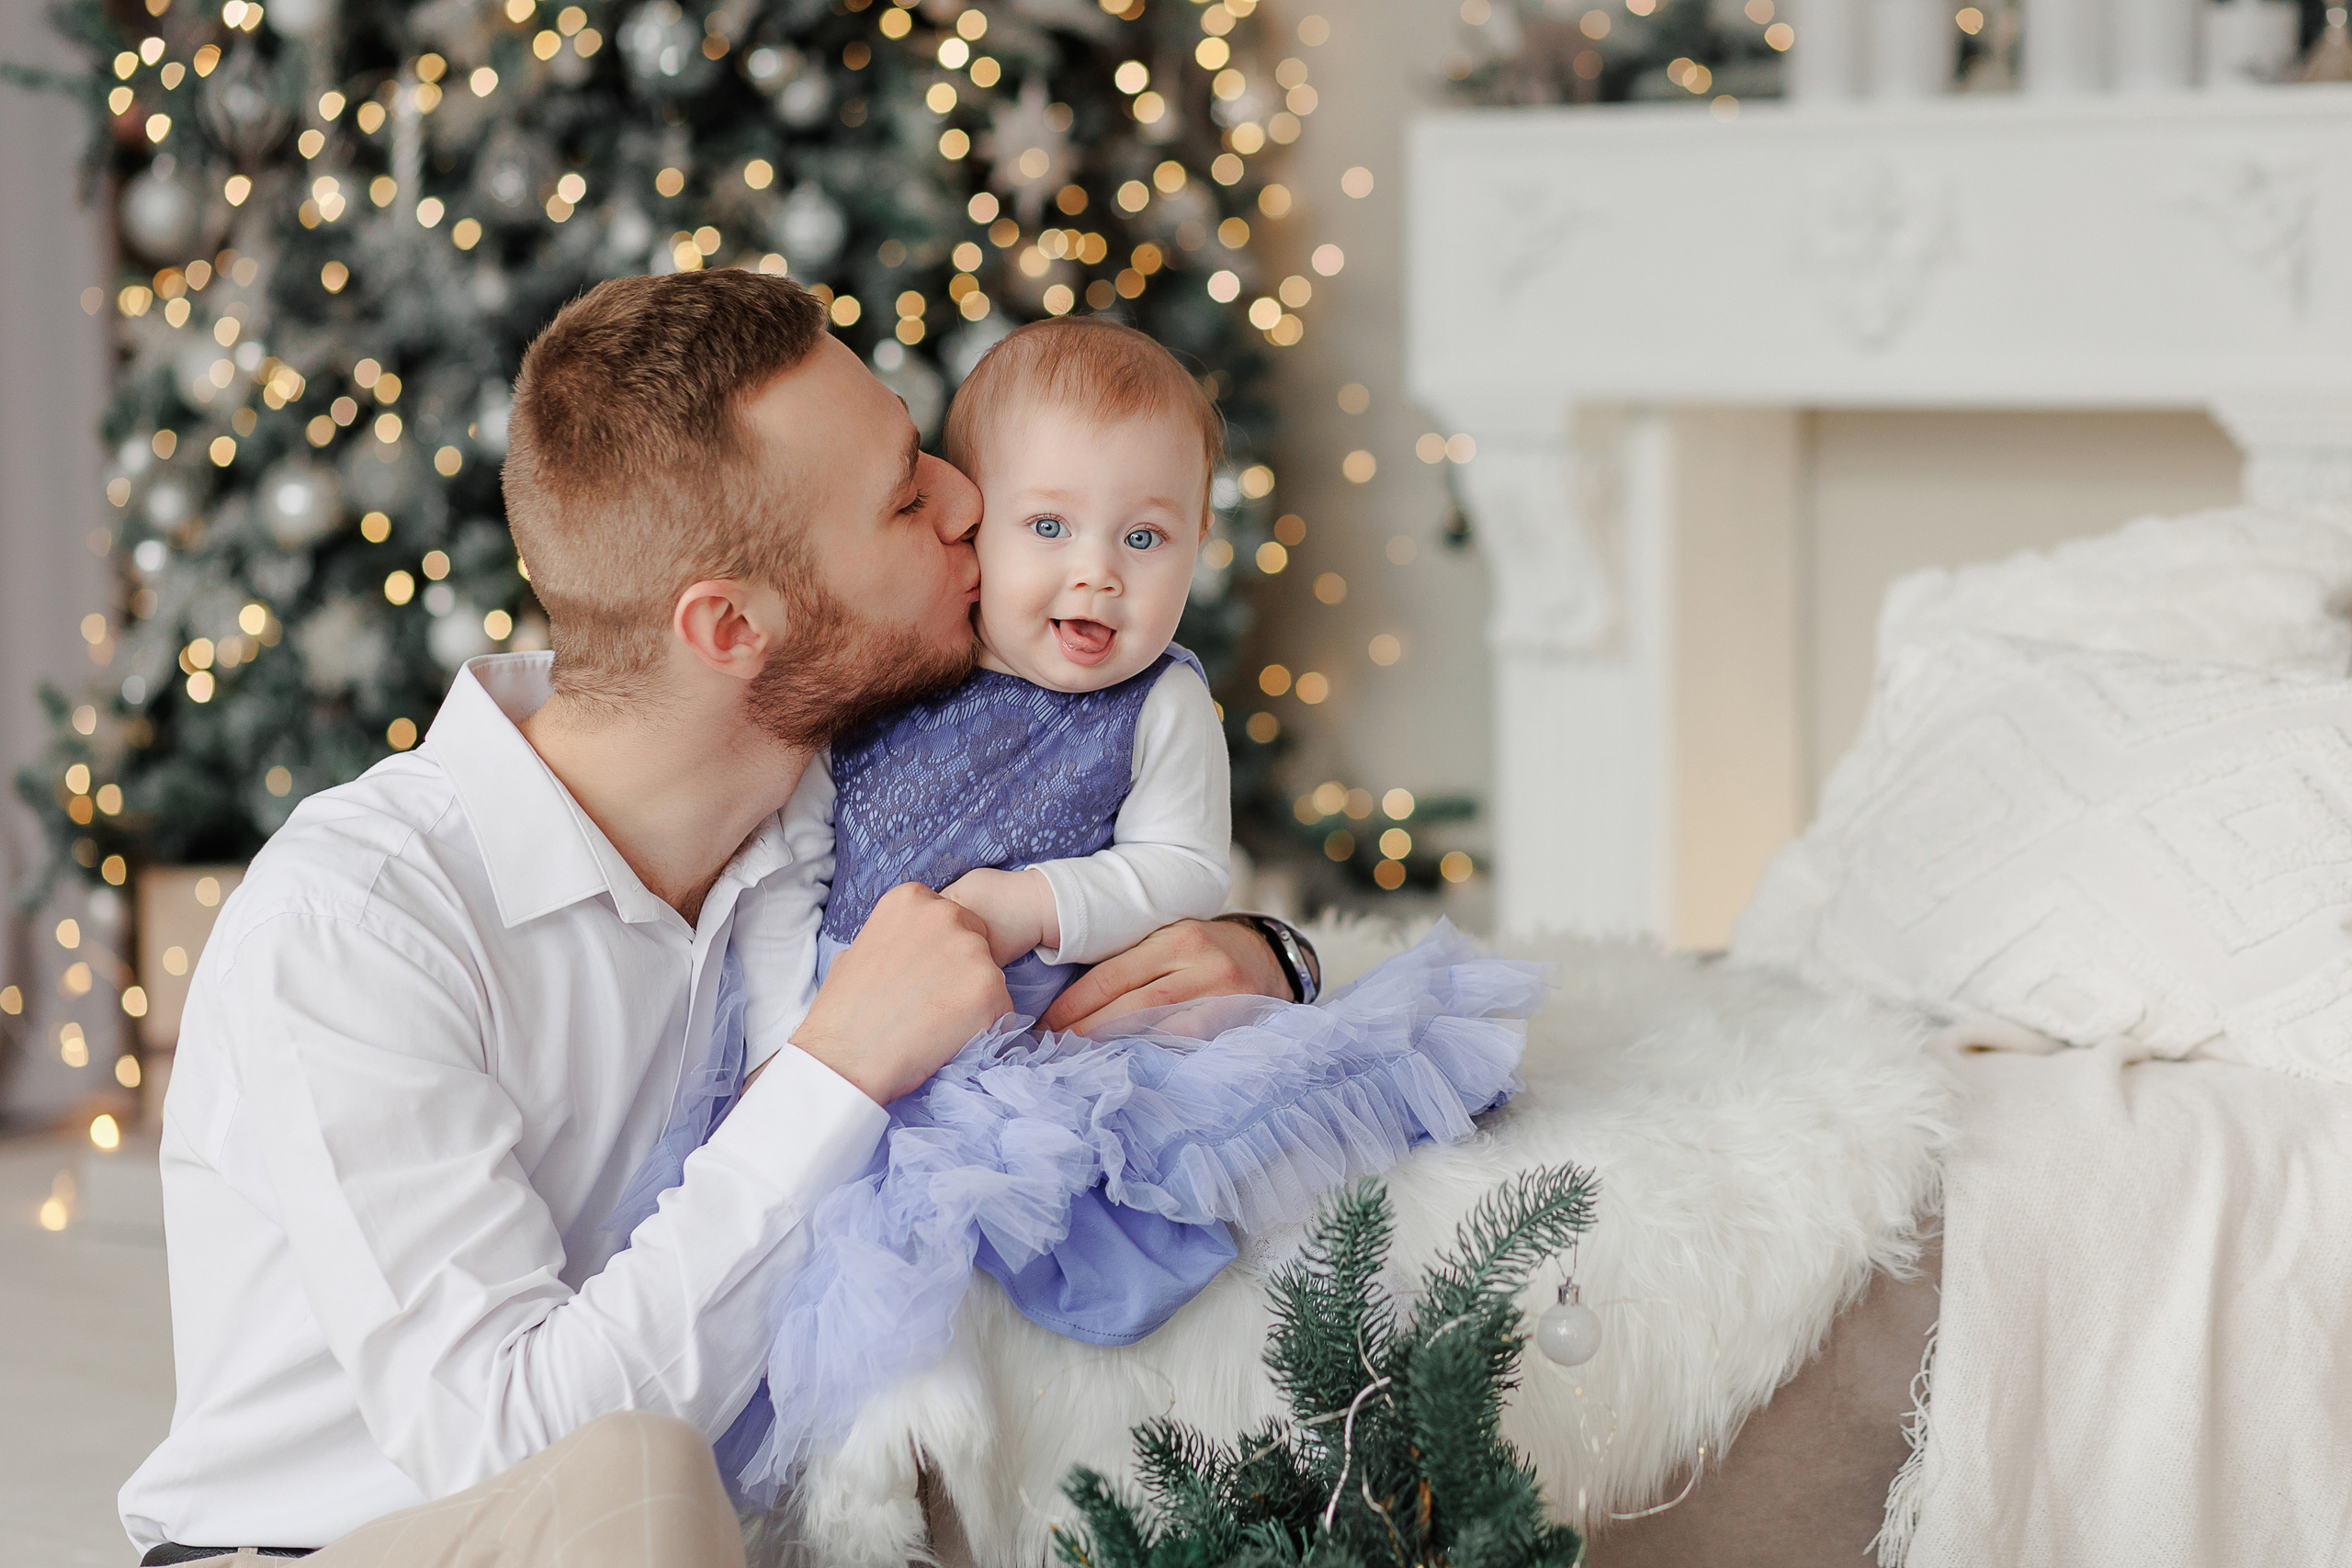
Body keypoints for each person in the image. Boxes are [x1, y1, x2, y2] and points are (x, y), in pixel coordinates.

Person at [118, 270, 1317, 1568]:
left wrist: (1263, 956)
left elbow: (1123, 869)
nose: (974, 499)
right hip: (349, 1549)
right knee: (637, 1477)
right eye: (910, 494)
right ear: (734, 626)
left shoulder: (829, 791)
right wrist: (838, 1067)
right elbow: (515, 1452)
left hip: (721, 1531)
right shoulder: (360, 921)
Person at [691, 319, 1548, 1503]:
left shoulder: (1160, 702)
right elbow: (793, 867)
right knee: (836, 1242)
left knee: (1144, 1121)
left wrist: (1037, 902)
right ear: (973, 531)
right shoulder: (897, 678)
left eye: (1146, 537)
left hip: (1057, 1020)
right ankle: (883, 1443)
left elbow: (1186, 869)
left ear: (1198, 543)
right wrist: (795, 1034)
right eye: (1050, 527)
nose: (1099, 571)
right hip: (859, 1024)